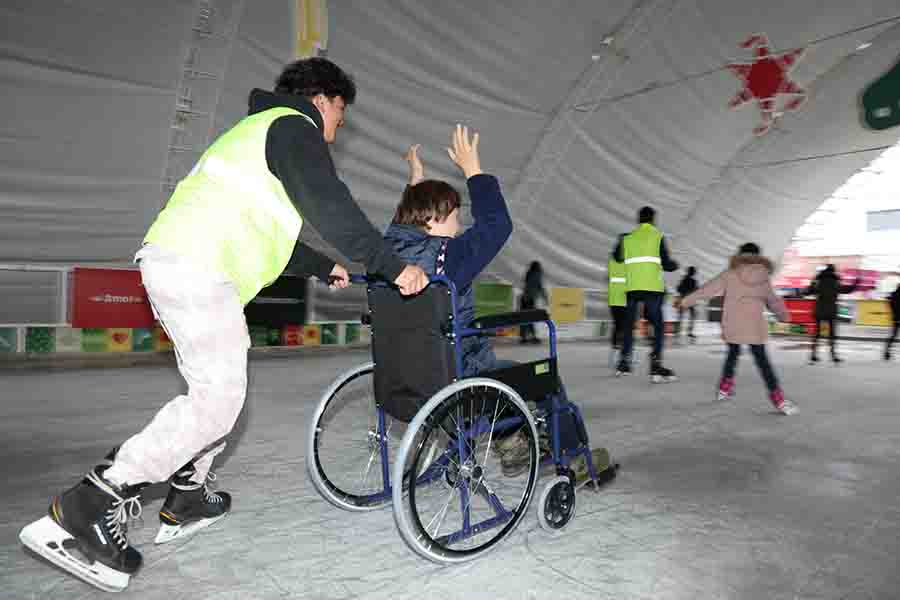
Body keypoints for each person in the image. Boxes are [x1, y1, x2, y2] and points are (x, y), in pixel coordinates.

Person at [19, 57, 428, 593]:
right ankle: (88, 504)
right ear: (323, 100)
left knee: (222, 390)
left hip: (190, 261)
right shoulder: (293, 125)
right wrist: (395, 267)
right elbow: (333, 208)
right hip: (196, 266)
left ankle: (187, 495)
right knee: (217, 400)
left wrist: (322, 265)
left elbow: (263, 225)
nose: (338, 130)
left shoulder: (258, 133)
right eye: (341, 115)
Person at [388, 127, 532, 475]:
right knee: (534, 376)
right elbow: (497, 224)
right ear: (434, 219)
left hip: (406, 376)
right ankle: (514, 443)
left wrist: (415, 183)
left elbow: (400, 226)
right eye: (455, 215)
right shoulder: (450, 257)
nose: (460, 223)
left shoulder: (387, 253)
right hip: (460, 379)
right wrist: (473, 171)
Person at [676, 243, 798, 415]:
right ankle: (779, 400)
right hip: (755, 327)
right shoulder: (763, 277)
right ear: (758, 257)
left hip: (733, 324)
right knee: (763, 363)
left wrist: (684, 302)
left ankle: (724, 389)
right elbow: (773, 301)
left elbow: (706, 291)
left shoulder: (729, 275)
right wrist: (784, 316)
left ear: (740, 256)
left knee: (732, 354)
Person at [613, 206, 679, 382]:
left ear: (639, 220)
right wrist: (674, 265)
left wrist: (623, 244)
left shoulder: (627, 238)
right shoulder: (658, 237)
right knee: (657, 327)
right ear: (653, 220)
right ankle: (656, 366)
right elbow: (666, 264)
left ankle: (624, 362)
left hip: (633, 288)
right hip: (652, 289)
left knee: (629, 325)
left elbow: (618, 258)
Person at [804, 264, 859, 364]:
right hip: (831, 311)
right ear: (833, 271)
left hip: (819, 310)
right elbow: (847, 290)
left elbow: (808, 292)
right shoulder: (835, 281)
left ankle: (813, 355)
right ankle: (833, 356)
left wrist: (812, 282)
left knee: (817, 334)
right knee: (832, 334)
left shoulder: (818, 280)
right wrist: (856, 283)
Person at [607, 248, 628, 364]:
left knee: (616, 326)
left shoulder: (612, 261)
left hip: (613, 298)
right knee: (625, 327)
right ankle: (624, 356)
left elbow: (609, 277)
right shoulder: (628, 261)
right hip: (625, 298)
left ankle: (614, 353)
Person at [519, 261, 547, 343]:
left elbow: (527, 286)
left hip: (524, 298)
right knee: (531, 318)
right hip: (529, 299)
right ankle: (533, 337)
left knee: (523, 319)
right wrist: (545, 297)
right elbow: (540, 287)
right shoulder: (536, 275)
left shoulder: (529, 274)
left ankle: (524, 337)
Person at [676, 266, 699, 342]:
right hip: (689, 300)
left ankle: (678, 331)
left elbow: (678, 289)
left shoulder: (684, 279)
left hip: (684, 299)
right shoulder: (693, 281)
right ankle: (689, 332)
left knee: (681, 316)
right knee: (692, 316)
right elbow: (697, 291)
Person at [885, 283, 900, 361]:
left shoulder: (893, 295)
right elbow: (895, 307)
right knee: (893, 335)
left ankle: (887, 351)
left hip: (895, 318)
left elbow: (891, 306)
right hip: (897, 318)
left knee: (893, 335)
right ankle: (887, 351)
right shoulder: (896, 295)